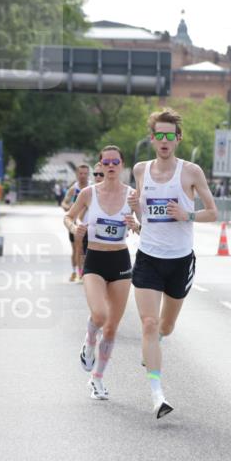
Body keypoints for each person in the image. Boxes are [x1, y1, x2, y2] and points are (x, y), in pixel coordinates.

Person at [127, 108, 217, 419]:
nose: (164, 141)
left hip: (180, 261)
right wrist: (135, 209)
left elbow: (213, 213)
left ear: (177, 139)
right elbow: (144, 218)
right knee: (149, 324)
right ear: (152, 139)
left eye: (170, 136)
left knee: (166, 326)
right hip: (148, 257)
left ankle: (156, 344)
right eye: (159, 136)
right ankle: (157, 395)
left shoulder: (191, 172)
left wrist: (187, 215)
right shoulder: (141, 170)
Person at [63, 146, 134, 400]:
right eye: (107, 162)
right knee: (100, 315)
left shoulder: (133, 195)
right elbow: (68, 217)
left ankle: (97, 379)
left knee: (113, 327)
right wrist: (75, 228)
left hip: (121, 260)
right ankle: (89, 339)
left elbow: (145, 226)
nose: (111, 165)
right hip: (94, 259)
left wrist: (136, 224)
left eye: (116, 161)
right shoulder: (88, 193)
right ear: (101, 166)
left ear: (122, 165)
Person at [61, 165, 90, 282]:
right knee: (76, 249)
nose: (82, 176)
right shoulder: (74, 189)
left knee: (87, 249)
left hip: (88, 223)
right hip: (74, 224)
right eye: (80, 173)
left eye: (85, 173)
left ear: (88, 174)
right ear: (77, 174)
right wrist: (69, 207)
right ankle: (75, 272)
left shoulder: (92, 188)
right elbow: (64, 203)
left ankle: (85, 272)